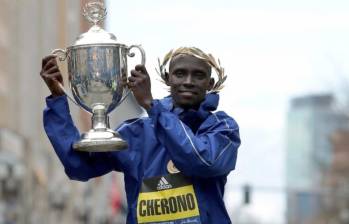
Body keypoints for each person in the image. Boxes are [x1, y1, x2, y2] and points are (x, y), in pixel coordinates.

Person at [40, 47, 241, 224]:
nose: (188, 81)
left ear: (210, 83)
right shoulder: (136, 133)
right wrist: (58, 98)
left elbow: (200, 160)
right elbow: (79, 166)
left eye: (198, 75)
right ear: (168, 78)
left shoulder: (222, 129)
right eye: (180, 74)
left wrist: (153, 107)